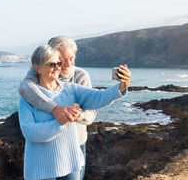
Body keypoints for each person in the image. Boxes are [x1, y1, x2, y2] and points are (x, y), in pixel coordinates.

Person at [19, 45, 131, 180]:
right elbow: (29, 131)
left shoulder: (70, 90)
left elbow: (98, 97)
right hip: (41, 169)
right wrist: (60, 123)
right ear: (37, 68)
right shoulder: (28, 97)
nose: (57, 68)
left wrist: (121, 86)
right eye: (51, 64)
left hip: (70, 164)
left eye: (58, 63)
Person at [19, 36, 94, 179]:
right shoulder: (40, 73)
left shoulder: (80, 76)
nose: (67, 64)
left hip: (75, 145)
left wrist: (76, 115)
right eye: (62, 59)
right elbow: (24, 88)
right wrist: (56, 110)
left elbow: (91, 114)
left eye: (72, 58)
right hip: (47, 147)